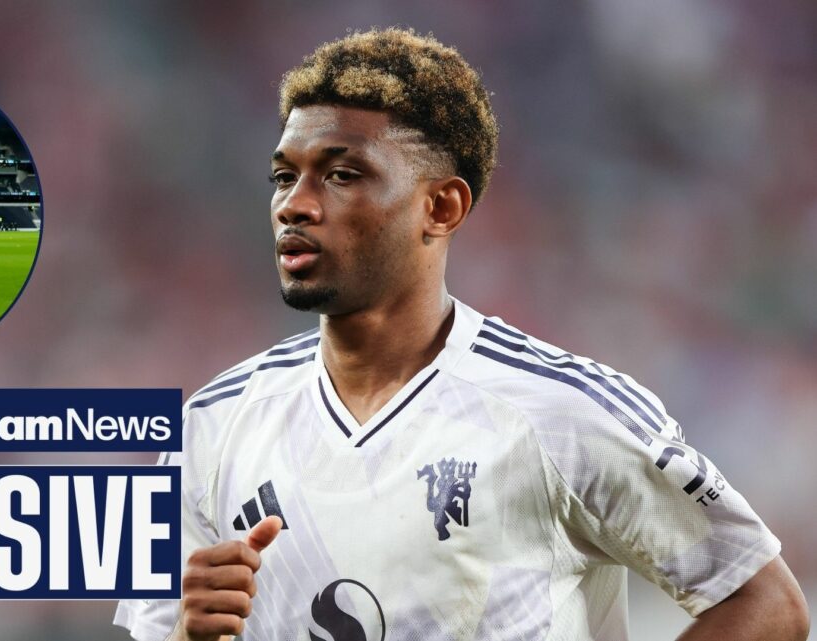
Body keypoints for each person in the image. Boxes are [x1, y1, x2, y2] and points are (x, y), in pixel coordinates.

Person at [115, 27, 808, 641]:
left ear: (440, 206)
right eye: (283, 176)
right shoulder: (209, 427)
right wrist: (187, 632)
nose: (295, 204)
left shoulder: (557, 414)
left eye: (342, 174)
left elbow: (765, 601)